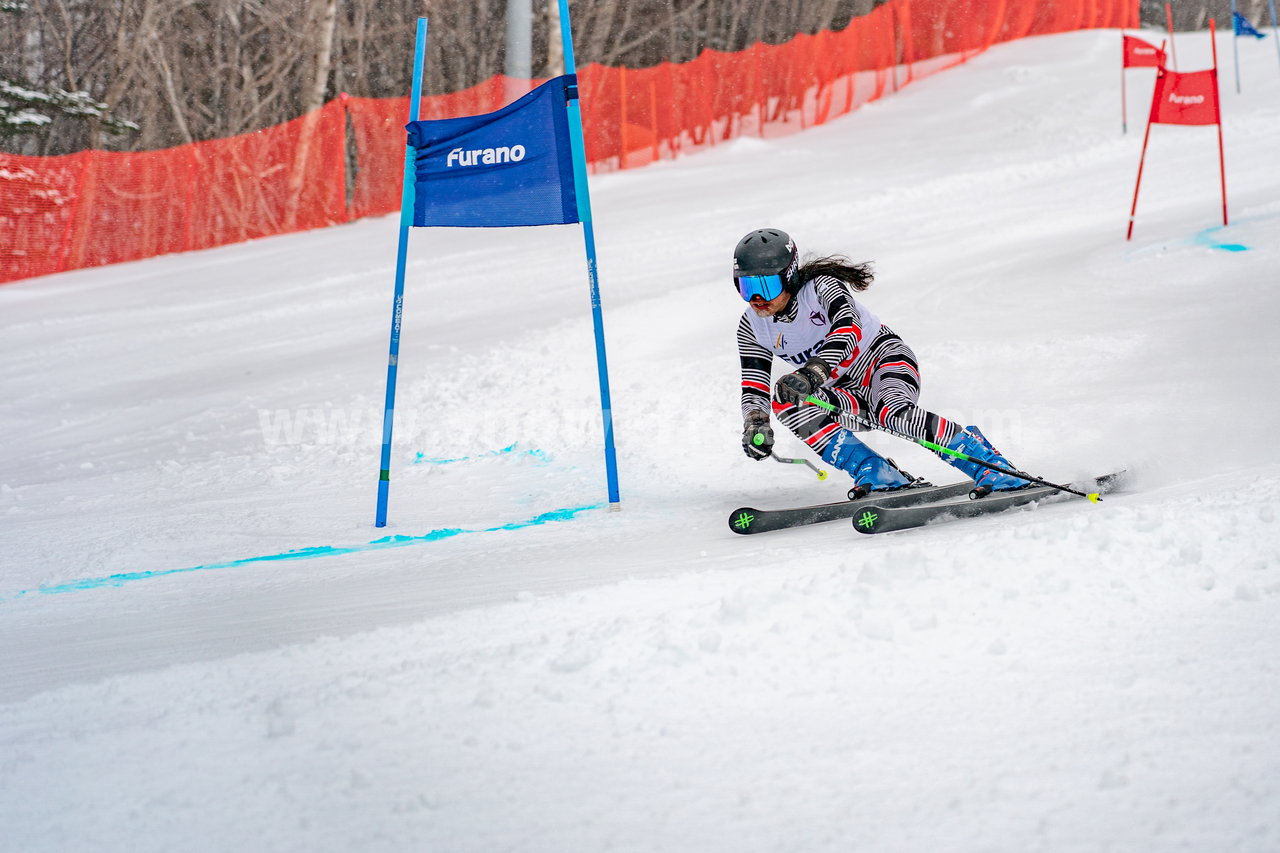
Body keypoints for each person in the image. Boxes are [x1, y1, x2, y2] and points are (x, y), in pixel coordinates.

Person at [733, 227, 1028, 495]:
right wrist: (755, 423)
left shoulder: (822, 289)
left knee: (891, 411)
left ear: (790, 275)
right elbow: (753, 385)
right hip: (846, 393)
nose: (756, 298)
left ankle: (990, 464)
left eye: (766, 286)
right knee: (787, 399)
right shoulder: (752, 327)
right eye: (746, 287)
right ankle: (876, 471)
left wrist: (813, 374)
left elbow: (848, 330)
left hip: (884, 362)